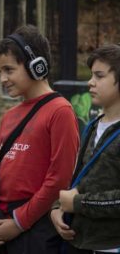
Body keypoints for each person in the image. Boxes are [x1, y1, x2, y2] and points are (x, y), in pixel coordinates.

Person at [0, 25, 80, 253]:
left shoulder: (60, 112)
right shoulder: (9, 116)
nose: (3, 78)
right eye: (0, 71)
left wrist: (19, 222)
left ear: (36, 66)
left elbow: (59, 179)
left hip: (32, 232)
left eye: (9, 70)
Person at [51, 44, 120, 254]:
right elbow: (79, 178)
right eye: (91, 75)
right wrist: (57, 208)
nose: (90, 83)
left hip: (109, 246)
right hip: (76, 241)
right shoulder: (92, 126)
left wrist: (79, 203)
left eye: (99, 76)